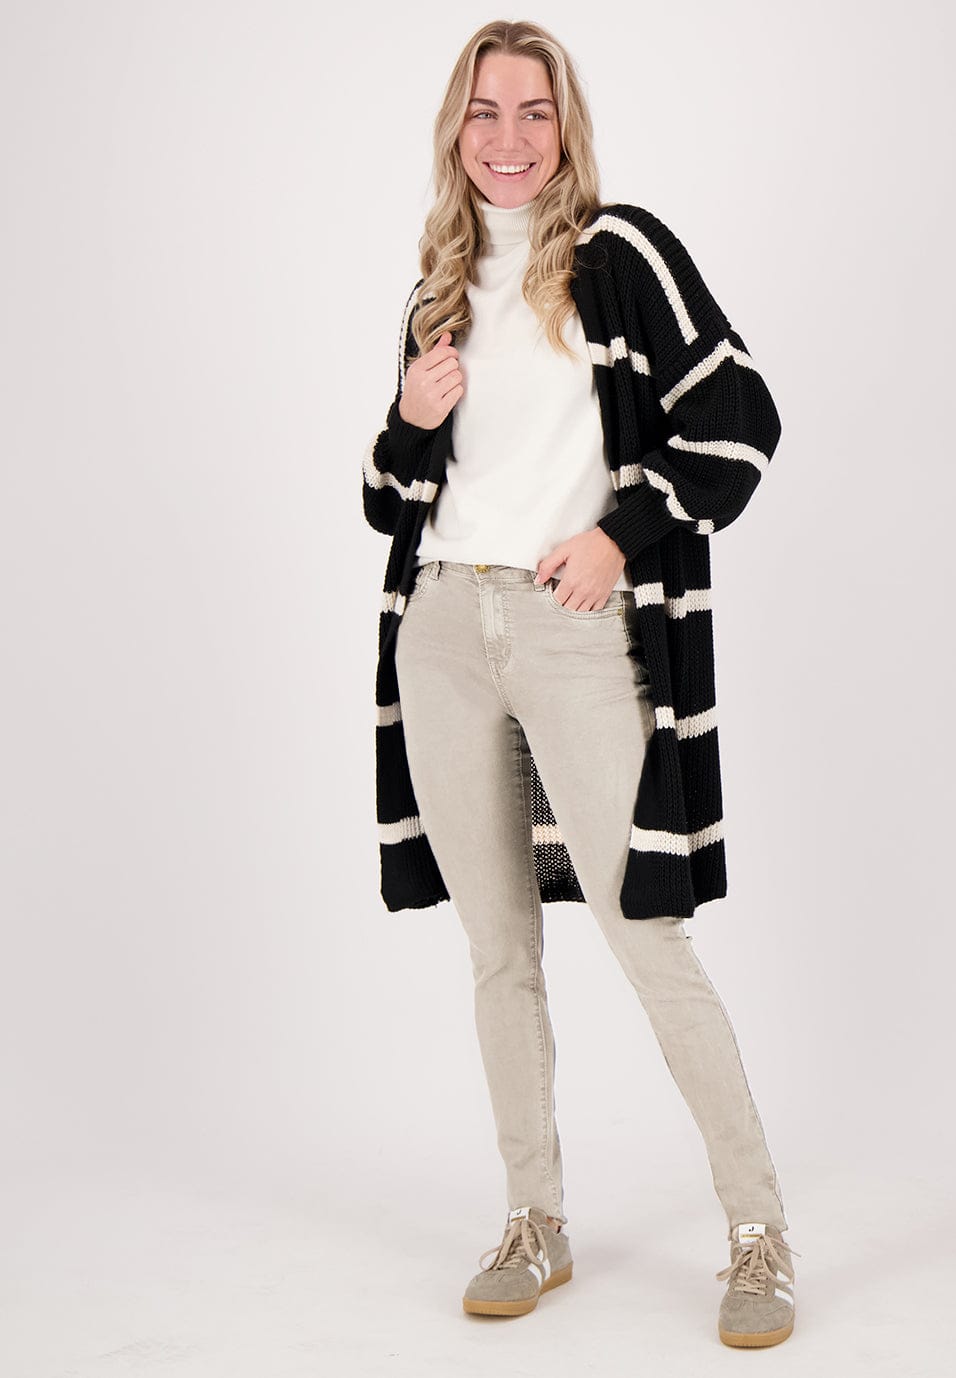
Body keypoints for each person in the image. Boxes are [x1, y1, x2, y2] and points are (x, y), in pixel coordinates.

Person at [361, 19, 797, 1348]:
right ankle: (534, 1218)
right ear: (456, 127)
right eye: (485, 112)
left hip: (570, 628)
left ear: (567, 127)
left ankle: (758, 1232)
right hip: (443, 626)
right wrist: (411, 419)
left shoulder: (621, 255)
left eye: (533, 112)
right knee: (499, 948)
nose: (508, 138)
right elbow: (385, 499)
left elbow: (742, 420)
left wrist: (620, 535)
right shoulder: (435, 292)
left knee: (646, 931)